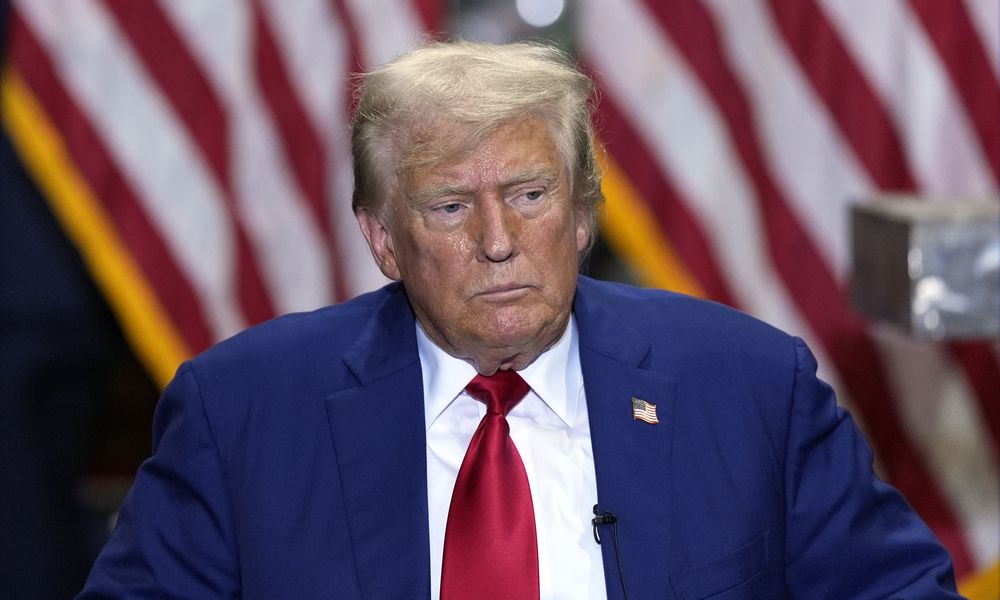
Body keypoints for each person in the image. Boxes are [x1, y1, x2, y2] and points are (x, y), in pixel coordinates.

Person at [79, 41, 961, 599]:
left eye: (532, 196)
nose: (499, 242)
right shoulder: (245, 412)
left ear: (582, 216)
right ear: (382, 237)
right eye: (451, 207)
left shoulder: (749, 387)